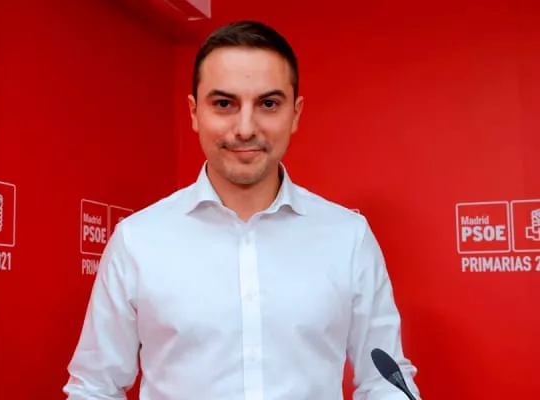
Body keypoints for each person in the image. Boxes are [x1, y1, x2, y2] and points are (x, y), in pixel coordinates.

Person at [64, 20, 421, 400]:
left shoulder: (348, 237)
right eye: (224, 104)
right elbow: (95, 389)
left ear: (295, 113)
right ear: (194, 112)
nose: (246, 128)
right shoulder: (138, 240)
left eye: (268, 104)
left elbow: (386, 382)